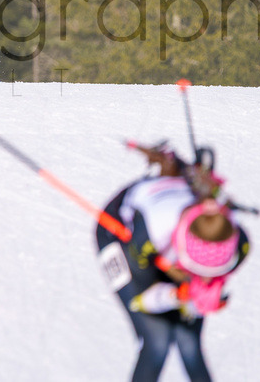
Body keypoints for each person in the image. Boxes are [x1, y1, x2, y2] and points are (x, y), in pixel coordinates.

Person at [95, 142, 251, 382]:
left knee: (189, 342)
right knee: (157, 341)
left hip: (168, 240)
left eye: (216, 272)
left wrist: (198, 298)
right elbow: (143, 298)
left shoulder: (238, 243)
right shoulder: (152, 232)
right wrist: (175, 296)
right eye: (198, 271)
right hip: (120, 235)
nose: (207, 278)